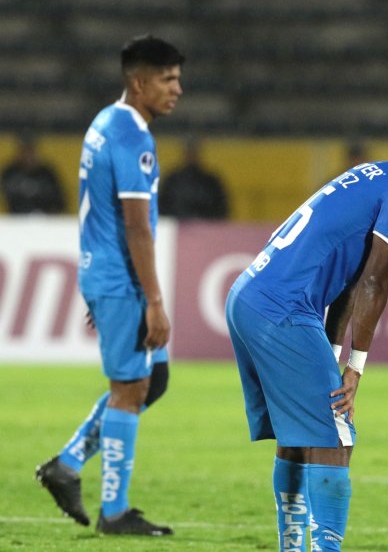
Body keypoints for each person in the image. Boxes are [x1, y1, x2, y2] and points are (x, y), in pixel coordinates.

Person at [225, 140, 388, 551]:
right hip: (284, 309)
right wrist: (356, 366)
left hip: (249, 295)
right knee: (336, 435)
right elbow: (374, 282)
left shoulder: (380, 173)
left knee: (299, 433)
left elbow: (351, 280)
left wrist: (332, 352)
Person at [35, 35, 184, 536]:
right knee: (129, 389)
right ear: (139, 83)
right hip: (122, 278)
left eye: (178, 79)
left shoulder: (105, 121)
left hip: (107, 272)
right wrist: (154, 301)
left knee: (152, 381)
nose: (177, 89)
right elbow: (137, 227)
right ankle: (113, 512)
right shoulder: (132, 138)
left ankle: (66, 465)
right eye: (167, 80)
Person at [158, 136, 229, 220]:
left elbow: (221, 210)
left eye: (193, 152)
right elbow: (162, 208)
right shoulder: (172, 181)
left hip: (205, 226)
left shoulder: (211, 182)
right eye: (189, 152)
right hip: (177, 225)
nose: (191, 156)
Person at [1, 133, 66, 214]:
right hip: (16, 218)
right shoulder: (10, 173)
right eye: (24, 150)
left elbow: (60, 201)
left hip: (45, 218)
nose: (27, 155)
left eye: (30, 150)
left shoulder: (47, 173)